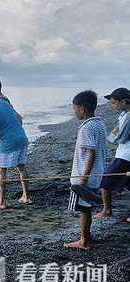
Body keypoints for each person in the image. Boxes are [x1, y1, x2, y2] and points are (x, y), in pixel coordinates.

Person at [65, 90, 108, 251]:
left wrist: (83, 178)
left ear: (82, 109)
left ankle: (84, 241)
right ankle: (87, 236)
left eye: (75, 108)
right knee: (87, 207)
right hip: (97, 173)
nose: (74, 111)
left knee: (83, 209)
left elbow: (90, 152)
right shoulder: (99, 124)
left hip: (85, 176)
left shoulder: (86, 128)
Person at [96, 88, 130, 219]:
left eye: (114, 103)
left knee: (105, 180)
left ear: (124, 102)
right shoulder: (123, 115)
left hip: (125, 155)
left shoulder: (128, 116)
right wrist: (114, 135)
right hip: (123, 153)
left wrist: (112, 136)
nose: (112, 105)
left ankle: (107, 210)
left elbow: (120, 138)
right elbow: (115, 134)